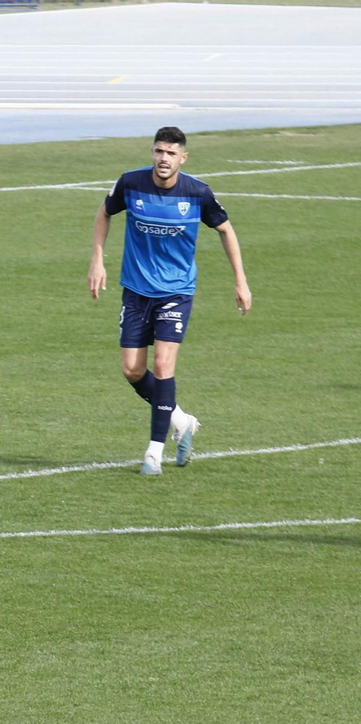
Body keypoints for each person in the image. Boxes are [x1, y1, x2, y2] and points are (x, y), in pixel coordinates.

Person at [89, 126, 251, 475]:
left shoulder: (197, 193)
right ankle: (181, 419)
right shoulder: (131, 184)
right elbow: (104, 213)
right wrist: (97, 260)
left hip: (176, 292)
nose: (164, 159)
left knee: (163, 366)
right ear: (152, 153)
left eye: (171, 153)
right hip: (135, 290)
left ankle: (153, 452)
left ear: (183, 158)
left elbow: (226, 229)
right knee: (131, 369)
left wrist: (240, 281)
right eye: (159, 151)